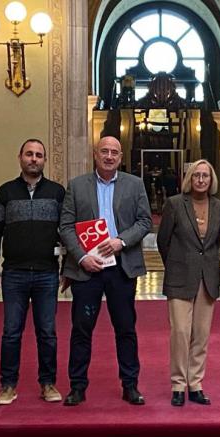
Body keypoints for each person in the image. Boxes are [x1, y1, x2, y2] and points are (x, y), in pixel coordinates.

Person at [59, 136, 152, 406]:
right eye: (104, 152)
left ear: (121, 157)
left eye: (114, 152)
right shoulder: (77, 186)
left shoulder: (135, 185)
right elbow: (65, 226)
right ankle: (77, 386)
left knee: (125, 328)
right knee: (81, 329)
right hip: (87, 268)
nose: (109, 156)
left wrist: (121, 241)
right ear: (95, 155)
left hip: (121, 268)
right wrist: (81, 257)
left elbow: (145, 220)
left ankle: (130, 385)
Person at [0, 138, 65, 405]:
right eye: (29, 154)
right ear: (20, 157)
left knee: (47, 332)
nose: (34, 159)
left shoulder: (57, 192)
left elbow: (66, 232)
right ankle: (8, 385)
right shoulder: (5, 192)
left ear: (44, 160)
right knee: (11, 332)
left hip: (47, 274)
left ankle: (48, 383)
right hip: (14, 274)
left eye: (39, 155)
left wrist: (67, 270)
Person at [157, 160, 220, 407]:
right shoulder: (175, 204)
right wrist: (176, 264)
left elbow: (216, 242)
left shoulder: (219, 206)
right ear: (189, 178)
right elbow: (163, 240)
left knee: (201, 334)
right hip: (179, 276)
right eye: (196, 175)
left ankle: (195, 383)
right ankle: (178, 384)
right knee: (181, 332)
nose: (200, 180)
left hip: (207, 278)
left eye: (205, 175)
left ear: (211, 179)